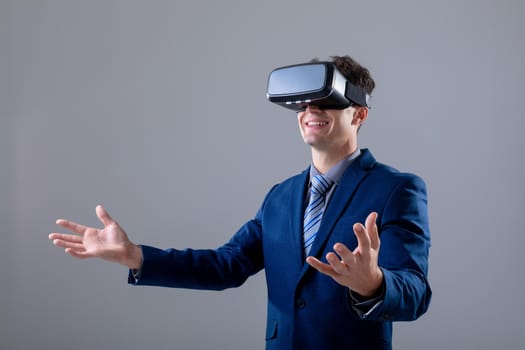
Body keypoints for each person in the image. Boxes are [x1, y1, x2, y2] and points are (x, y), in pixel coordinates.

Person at [49, 55, 431, 350]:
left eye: (326, 101)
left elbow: (415, 292)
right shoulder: (280, 197)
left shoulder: (397, 189)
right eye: (303, 104)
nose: (311, 111)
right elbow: (225, 265)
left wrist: (374, 284)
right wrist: (135, 256)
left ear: (359, 114)